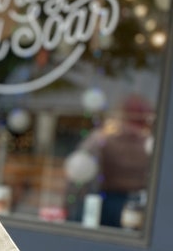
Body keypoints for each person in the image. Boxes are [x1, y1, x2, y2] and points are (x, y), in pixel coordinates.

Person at [65, 94, 153, 227]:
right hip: (136, 204)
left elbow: (79, 172)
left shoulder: (102, 138)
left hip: (106, 202)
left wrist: (69, 203)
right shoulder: (149, 143)